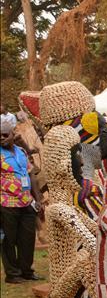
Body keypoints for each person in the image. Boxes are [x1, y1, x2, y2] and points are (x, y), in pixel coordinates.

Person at [1, 112, 42, 283]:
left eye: (5, 135)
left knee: (27, 238)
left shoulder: (21, 152)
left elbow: (31, 174)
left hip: (27, 201)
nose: (2, 138)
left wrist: (38, 198)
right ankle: (13, 274)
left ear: (13, 135)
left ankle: (27, 271)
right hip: (6, 202)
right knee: (9, 240)